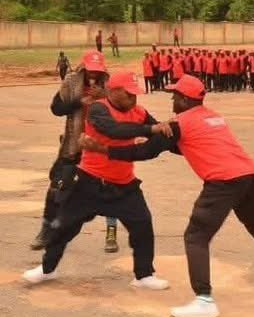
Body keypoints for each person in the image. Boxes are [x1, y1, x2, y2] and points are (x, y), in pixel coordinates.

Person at [80, 74, 254, 317]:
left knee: (196, 236)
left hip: (222, 180)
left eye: (175, 96)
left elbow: (145, 152)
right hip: (249, 174)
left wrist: (102, 149)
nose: (172, 100)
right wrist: (153, 136)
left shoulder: (179, 123)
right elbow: (182, 145)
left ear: (184, 99)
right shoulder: (214, 116)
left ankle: (204, 300)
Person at [23, 71, 171, 290]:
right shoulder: (98, 109)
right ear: (114, 91)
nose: (133, 99)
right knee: (63, 226)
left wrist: (174, 132)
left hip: (124, 185)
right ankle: (46, 270)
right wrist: (150, 129)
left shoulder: (139, 112)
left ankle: (144, 276)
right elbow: (114, 130)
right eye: (129, 94)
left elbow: (159, 135)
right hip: (89, 182)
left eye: (135, 95)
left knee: (142, 226)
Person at [30, 51, 122, 254]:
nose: (94, 75)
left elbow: (125, 110)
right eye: (91, 70)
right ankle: (47, 229)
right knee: (57, 187)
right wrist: (79, 102)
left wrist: (105, 98)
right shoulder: (71, 82)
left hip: (101, 146)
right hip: (74, 145)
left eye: (98, 71)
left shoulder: (111, 84)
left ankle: (111, 233)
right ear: (84, 67)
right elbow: (56, 108)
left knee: (112, 189)